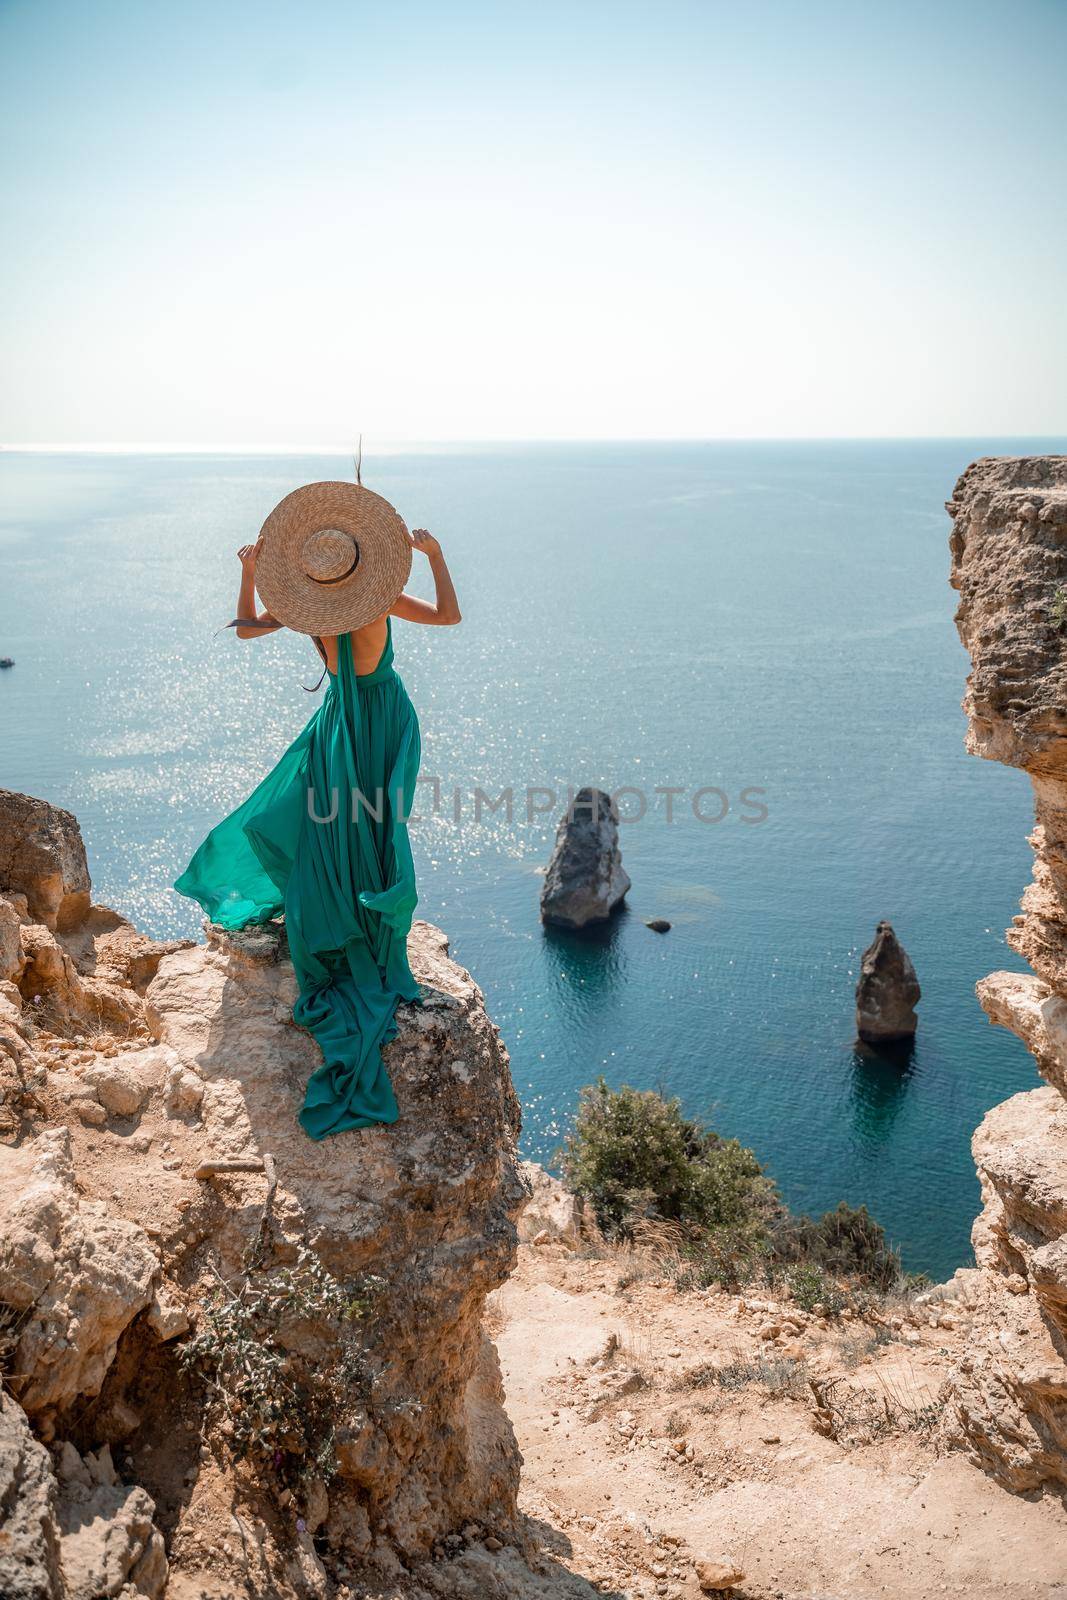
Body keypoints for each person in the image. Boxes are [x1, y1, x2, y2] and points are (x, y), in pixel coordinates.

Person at [174, 480, 461, 1139]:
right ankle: (364, 921)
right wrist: (434, 556)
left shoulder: (311, 610)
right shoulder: (379, 597)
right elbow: (448, 616)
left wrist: (248, 574)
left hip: (348, 720)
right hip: (376, 715)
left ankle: (345, 912)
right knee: (370, 826)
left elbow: (245, 629)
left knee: (329, 821)